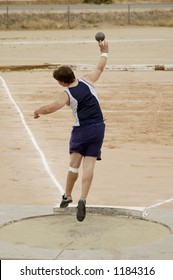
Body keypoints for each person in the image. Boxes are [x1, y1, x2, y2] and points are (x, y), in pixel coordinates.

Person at [34, 40, 109, 222]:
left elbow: (52, 107)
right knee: (89, 164)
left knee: (74, 165)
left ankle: (67, 195)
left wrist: (38, 111)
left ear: (61, 82)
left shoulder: (66, 94)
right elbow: (100, 67)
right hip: (99, 127)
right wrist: (104, 51)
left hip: (81, 130)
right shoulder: (87, 80)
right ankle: (83, 198)